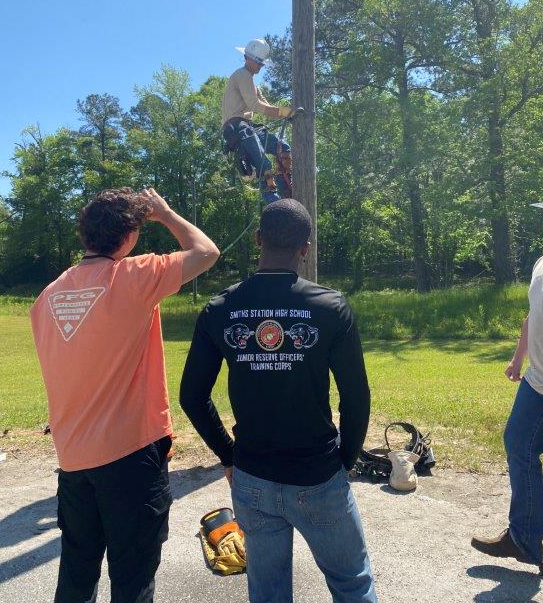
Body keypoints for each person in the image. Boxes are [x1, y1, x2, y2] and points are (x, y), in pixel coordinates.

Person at [180, 198, 378, 603]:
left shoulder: (222, 307)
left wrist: (229, 455)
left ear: (258, 240)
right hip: (317, 474)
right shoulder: (329, 307)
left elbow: (192, 397)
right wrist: (343, 462)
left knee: (268, 592)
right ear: (306, 248)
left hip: (252, 477)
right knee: (352, 582)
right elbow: (356, 398)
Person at [30, 187, 220, 602]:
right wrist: (166, 214)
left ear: (85, 235)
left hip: (73, 461)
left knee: (77, 575)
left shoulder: (46, 298)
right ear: (130, 235)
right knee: (133, 577)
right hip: (131, 456)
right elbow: (206, 251)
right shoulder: (134, 275)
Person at [471, 180, 543, 582]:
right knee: (518, 445)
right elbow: (534, 315)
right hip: (537, 382)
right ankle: (524, 539)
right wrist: (517, 358)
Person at [222, 37, 293, 202]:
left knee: (283, 148)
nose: (261, 66)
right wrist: (284, 112)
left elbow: (265, 106)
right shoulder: (242, 75)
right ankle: (278, 207)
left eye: (262, 63)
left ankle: (288, 191)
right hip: (237, 128)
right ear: (248, 58)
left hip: (248, 127)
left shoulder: (252, 84)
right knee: (265, 167)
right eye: (259, 62)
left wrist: (287, 113)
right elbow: (255, 106)